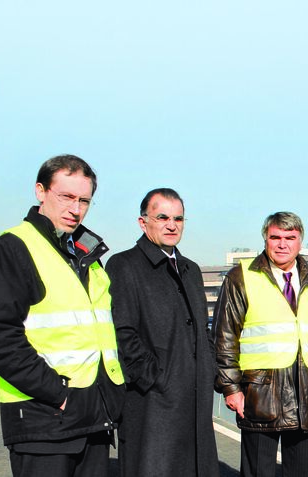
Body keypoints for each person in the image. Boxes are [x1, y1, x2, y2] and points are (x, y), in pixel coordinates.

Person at [0, 154, 124, 477]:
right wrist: (58, 394)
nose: (76, 209)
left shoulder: (87, 255)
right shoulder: (12, 249)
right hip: (44, 419)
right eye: (66, 197)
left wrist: (111, 396)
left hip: (93, 418)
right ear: (40, 191)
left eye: (84, 200)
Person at [213, 211, 308, 477]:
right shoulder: (241, 277)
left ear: (300, 241)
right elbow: (224, 337)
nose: (282, 244)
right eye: (275, 237)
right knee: (258, 473)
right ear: (265, 239)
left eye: (290, 237)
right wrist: (230, 388)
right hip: (260, 396)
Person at [106, 188, 219, 476]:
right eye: (163, 217)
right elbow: (123, 333)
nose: (172, 225)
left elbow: (202, 330)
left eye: (178, 218)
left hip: (195, 400)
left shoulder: (190, 269)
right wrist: (158, 379)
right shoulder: (124, 265)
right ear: (143, 222)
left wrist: (208, 371)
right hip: (151, 404)